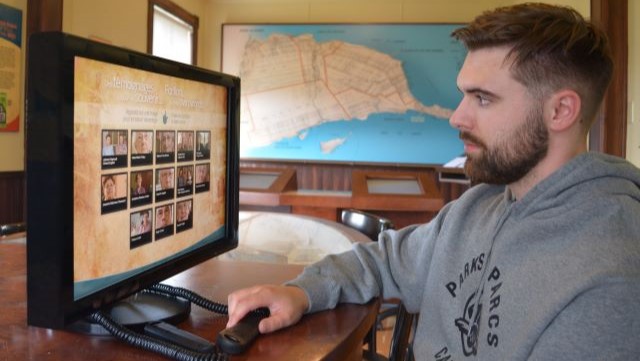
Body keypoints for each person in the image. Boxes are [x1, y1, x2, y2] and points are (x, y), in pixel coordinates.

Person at [226, 4, 640, 360]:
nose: (457, 117)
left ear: (561, 111)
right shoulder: (479, 205)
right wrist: (302, 293)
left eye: (483, 98)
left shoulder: (612, 275)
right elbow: (383, 261)